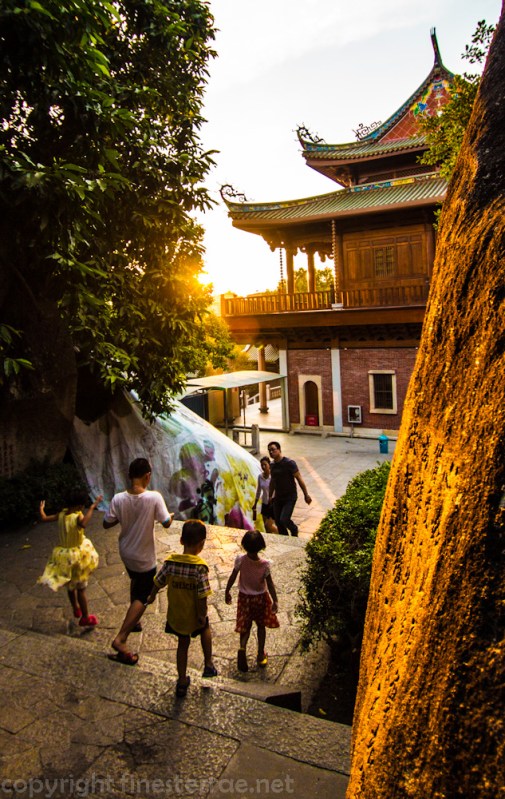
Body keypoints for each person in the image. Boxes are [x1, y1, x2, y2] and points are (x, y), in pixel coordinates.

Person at [103, 457, 173, 665]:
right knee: (145, 596)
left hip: (126, 552)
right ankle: (121, 638)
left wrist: (124, 515)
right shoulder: (153, 497)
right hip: (143, 556)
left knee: (136, 580)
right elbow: (166, 523)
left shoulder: (118, 499)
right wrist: (169, 516)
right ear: (147, 476)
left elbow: (107, 523)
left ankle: (134, 622)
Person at [146, 519, 217, 697]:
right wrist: (202, 615)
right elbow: (202, 595)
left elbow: (158, 582)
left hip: (177, 615)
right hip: (195, 614)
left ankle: (182, 680)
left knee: (182, 645)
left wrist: (152, 595)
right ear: (202, 544)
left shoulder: (171, 563)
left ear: (181, 540)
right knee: (205, 629)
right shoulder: (200, 568)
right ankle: (208, 664)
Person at [38, 490, 103, 626]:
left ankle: (75, 608)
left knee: (70, 586)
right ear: (79, 505)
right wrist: (92, 507)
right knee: (81, 589)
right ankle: (85, 617)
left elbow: (44, 518)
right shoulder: (77, 516)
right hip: (77, 556)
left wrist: (41, 509)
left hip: (63, 555)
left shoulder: (61, 515)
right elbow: (83, 524)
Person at [225, 530, 279, 672]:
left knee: (245, 627)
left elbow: (233, 575)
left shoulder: (240, 560)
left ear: (244, 545)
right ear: (261, 546)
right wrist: (275, 600)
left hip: (244, 598)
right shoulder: (265, 565)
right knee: (261, 626)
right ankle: (261, 654)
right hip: (260, 598)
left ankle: (242, 648)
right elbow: (270, 584)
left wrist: (227, 590)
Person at [267, 441, 312, 536]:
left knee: (284, 519)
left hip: (290, 497)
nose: (271, 452)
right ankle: (285, 538)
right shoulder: (272, 465)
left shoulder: (289, 463)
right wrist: (270, 496)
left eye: (273, 449)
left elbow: (299, 479)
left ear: (279, 450)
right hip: (278, 497)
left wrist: (306, 495)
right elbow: (272, 482)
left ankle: (294, 529)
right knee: (278, 522)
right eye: (269, 450)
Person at [252, 456, 277, 534]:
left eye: (265, 465)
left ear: (269, 465)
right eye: (262, 465)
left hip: (273, 503)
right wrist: (255, 503)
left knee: (269, 525)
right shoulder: (260, 476)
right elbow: (258, 491)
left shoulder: (273, 476)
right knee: (265, 526)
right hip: (264, 503)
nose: (263, 467)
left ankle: (281, 534)